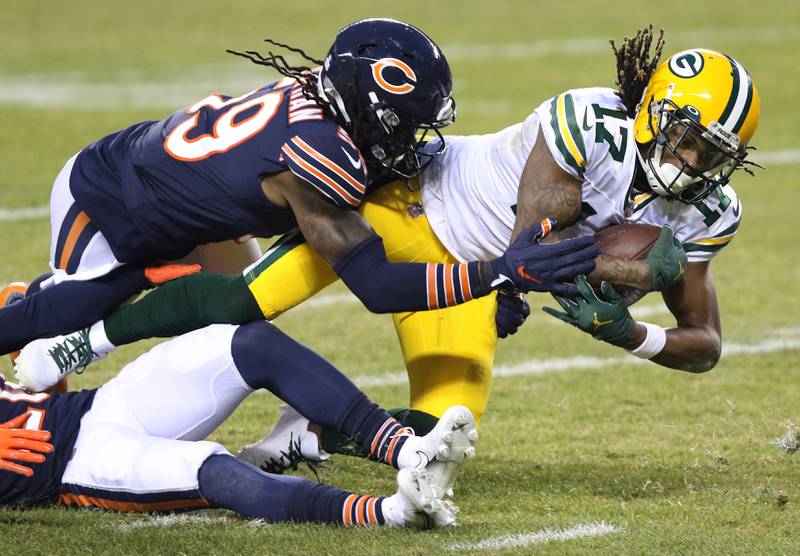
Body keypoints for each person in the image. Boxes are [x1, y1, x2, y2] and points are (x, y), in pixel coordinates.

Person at [21, 28, 752, 473]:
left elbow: (706, 344)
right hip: (407, 205)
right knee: (252, 296)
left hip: (470, 270)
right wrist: (616, 269)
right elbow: (540, 241)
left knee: (446, 426)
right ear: (656, 111)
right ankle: (87, 337)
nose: (692, 163)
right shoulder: (590, 118)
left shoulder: (713, 212)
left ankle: (306, 433)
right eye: (687, 137)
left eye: (712, 154)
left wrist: (635, 333)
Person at [0, 17, 599, 358]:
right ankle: (25, 309)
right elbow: (378, 285)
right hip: (109, 200)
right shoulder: (318, 158)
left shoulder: (326, 107)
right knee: (73, 312)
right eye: (408, 122)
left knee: (228, 319)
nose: (415, 137)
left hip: (177, 198)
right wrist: (497, 273)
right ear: (370, 109)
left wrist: (487, 280)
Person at [0, 320, 482, 528]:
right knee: (210, 469)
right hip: (77, 465)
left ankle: (409, 450)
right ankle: (392, 512)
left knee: (247, 345)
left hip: (95, 408)